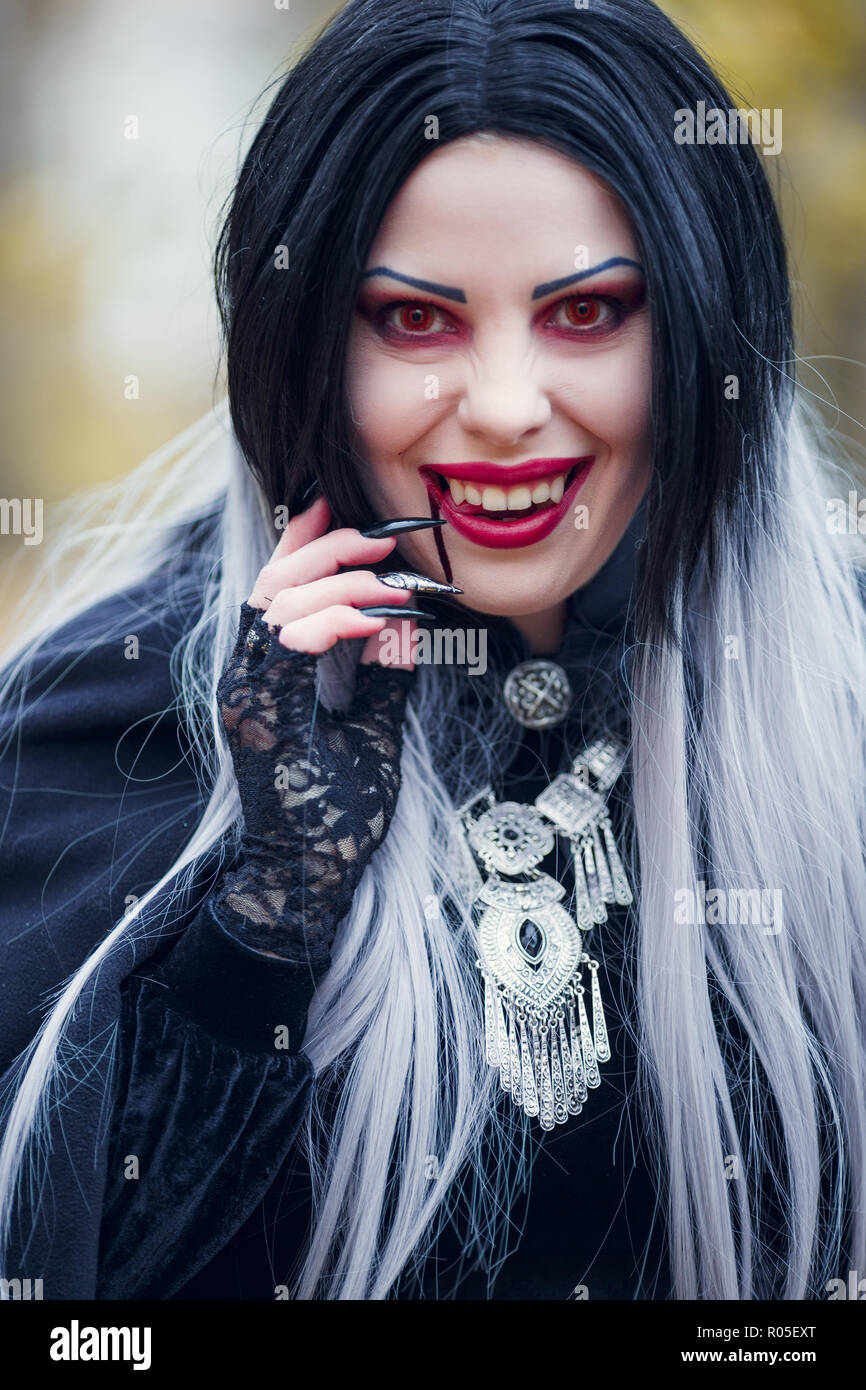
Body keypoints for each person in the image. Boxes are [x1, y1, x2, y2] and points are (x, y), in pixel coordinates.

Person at [1, 0, 865, 1302]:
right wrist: (262, 916)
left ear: (695, 330)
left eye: (588, 313)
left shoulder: (842, 697)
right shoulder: (105, 719)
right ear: (301, 352)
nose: (508, 407)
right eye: (413, 322)